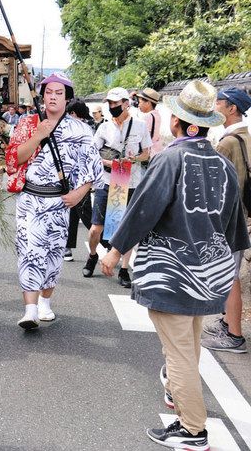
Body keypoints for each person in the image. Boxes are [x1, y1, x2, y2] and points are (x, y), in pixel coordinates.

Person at [100, 80, 249, 451]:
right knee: (190, 342)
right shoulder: (222, 164)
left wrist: (116, 251)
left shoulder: (171, 159)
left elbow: (143, 210)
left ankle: (193, 429)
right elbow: (234, 226)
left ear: (177, 122)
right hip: (210, 271)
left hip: (173, 273)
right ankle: (176, 395)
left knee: (178, 353)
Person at [7, 73, 102, 329]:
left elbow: (92, 168)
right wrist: (38, 135)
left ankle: (45, 302)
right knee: (28, 251)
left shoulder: (80, 130)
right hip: (30, 200)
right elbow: (14, 159)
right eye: (49, 92)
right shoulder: (28, 123)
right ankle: (29, 309)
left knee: (52, 254)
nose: (53, 97)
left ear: (67, 98)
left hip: (60, 202)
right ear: (42, 95)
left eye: (59, 93)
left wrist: (78, 194)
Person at [83, 87, 152, 287]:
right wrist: (108, 163)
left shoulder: (140, 125)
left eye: (116, 103)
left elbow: (147, 153)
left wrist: (134, 159)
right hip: (107, 180)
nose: (112, 107)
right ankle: (93, 255)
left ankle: (123, 268)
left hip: (130, 181)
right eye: (110, 104)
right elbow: (92, 151)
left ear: (125, 103)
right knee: (96, 227)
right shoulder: (104, 127)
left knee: (126, 226)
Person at [201, 87, 251, 353]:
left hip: (229, 221)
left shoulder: (228, 143)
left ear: (232, 108)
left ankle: (234, 336)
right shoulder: (245, 138)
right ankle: (225, 322)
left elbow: (214, 187)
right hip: (242, 218)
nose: (215, 108)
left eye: (219, 103)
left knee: (230, 278)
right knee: (229, 275)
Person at [63, 98, 95, 261]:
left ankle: (106, 244)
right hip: (67, 177)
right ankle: (68, 247)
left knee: (86, 213)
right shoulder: (65, 128)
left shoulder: (86, 129)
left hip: (81, 178)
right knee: (71, 213)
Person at [135, 88, 164, 159]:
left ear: (148, 103)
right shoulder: (156, 114)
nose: (138, 105)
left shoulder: (147, 117)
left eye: (140, 102)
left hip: (148, 154)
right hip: (156, 151)